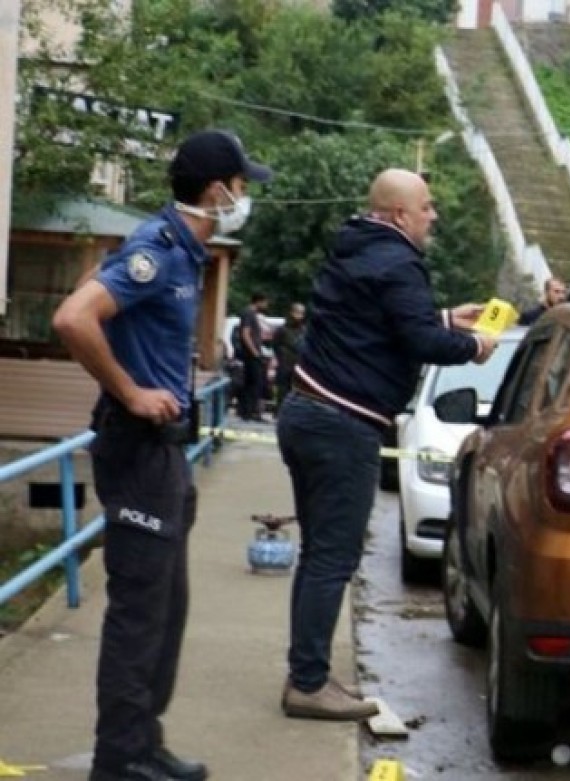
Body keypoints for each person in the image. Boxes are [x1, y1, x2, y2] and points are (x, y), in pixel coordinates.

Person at [53, 129, 271, 781]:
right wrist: (131, 391)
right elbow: (73, 318)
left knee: (166, 609)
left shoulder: (184, 251)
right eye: (241, 186)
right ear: (217, 191)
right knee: (139, 613)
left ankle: (144, 742)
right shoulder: (157, 249)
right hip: (138, 448)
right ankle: (119, 759)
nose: (244, 197)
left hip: (165, 453)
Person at [276, 168, 496, 720]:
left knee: (318, 553)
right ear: (400, 215)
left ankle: (309, 671)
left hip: (305, 412)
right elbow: (419, 341)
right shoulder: (400, 262)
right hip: (342, 424)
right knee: (334, 557)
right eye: (426, 207)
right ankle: (308, 685)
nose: (433, 216)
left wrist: (444, 317)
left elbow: (377, 320)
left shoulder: (354, 248)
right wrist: (474, 346)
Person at [235, 292, 270, 422]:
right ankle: (251, 412)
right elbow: (245, 334)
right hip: (251, 355)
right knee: (255, 383)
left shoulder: (251, 314)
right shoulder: (249, 313)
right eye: (265, 302)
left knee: (250, 383)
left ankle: (246, 411)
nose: (266, 305)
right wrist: (255, 352)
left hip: (251, 354)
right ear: (259, 301)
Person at [273, 302, 306, 404]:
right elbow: (275, 345)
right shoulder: (282, 329)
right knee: (283, 391)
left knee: (297, 392)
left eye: (301, 313)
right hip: (284, 364)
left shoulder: (304, 331)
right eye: (297, 312)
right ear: (291, 313)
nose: (298, 316)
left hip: (298, 365)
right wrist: (281, 356)